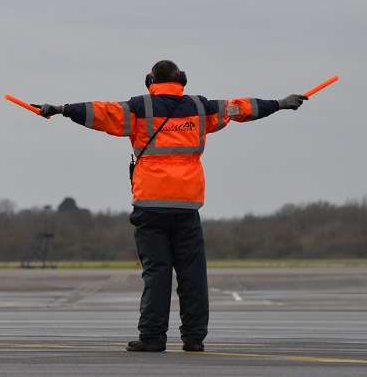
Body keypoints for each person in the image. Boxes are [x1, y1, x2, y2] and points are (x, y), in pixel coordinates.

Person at [36, 60, 306, 352]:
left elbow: (97, 112)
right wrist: (279, 103)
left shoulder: (138, 109)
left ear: (150, 81)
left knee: (157, 273)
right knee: (193, 274)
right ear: (182, 79)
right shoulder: (202, 108)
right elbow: (241, 107)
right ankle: (194, 339)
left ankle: (152, 338)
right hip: (186, 205)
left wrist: (61, 109)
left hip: (150, 205)